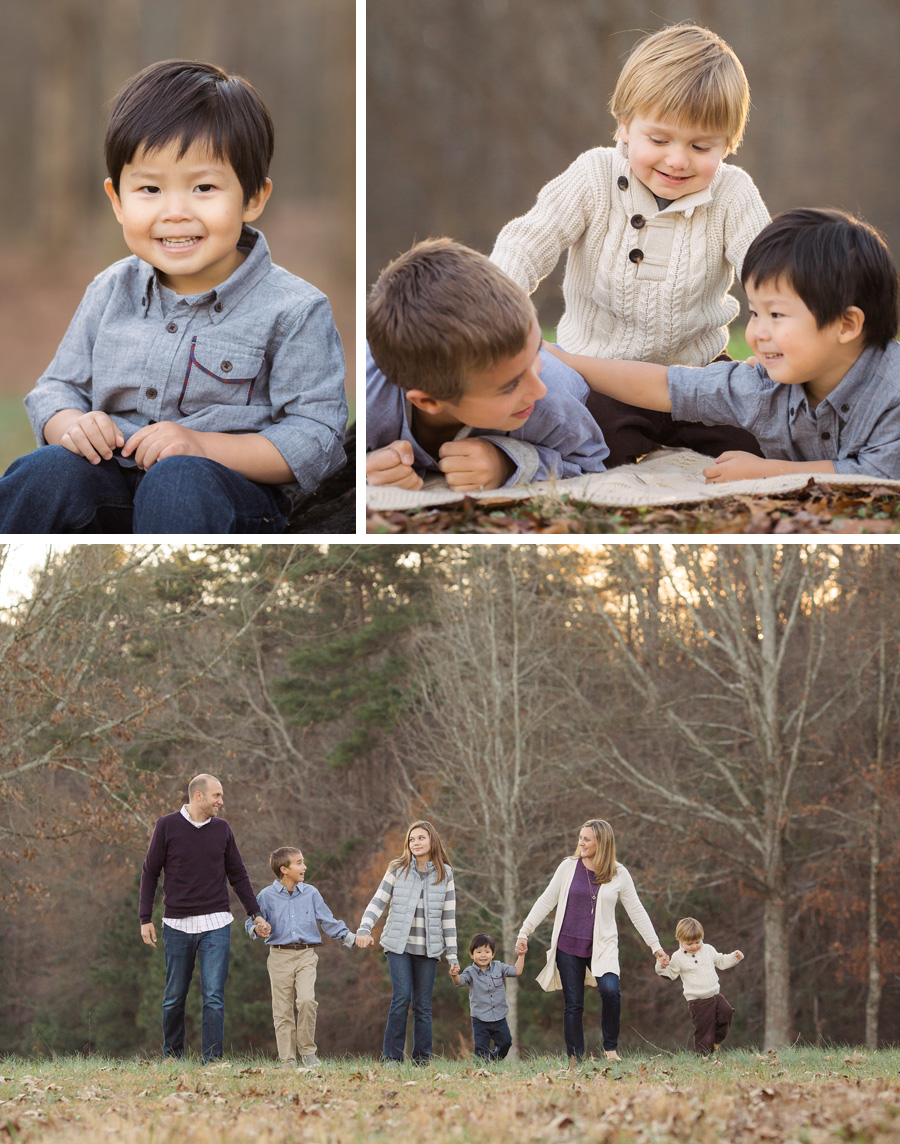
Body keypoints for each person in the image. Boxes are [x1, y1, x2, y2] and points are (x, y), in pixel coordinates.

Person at [0, 58, 347, 534]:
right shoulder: (110, 290)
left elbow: (317, 437)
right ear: (118, 200)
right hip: (110, 485)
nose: (175, 212)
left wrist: (204, 446)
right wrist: (69, 424)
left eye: (204, 187)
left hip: (222, 495)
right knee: (45, 472)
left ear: (253, 198)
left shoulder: (293, 310)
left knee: (178, 480)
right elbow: (58, 388)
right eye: (149, 188)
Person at [490, 23, 770, 467]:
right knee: (598, 448)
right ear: (624, 125)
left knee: (758, 442)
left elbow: (770, 274)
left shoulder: (733, 195)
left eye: (701, 146)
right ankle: (509, 458)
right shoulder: (594, 177)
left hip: (697, 374)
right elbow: (527, 242)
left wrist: (774, 346)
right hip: (599, 371)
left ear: (729, 143)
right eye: (659, 139)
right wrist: (492, 310)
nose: (677, 159)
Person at [546, 208, 900, 482]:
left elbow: (880, 476)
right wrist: (569, 360)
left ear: (846, 324)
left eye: (776, 314)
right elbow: (670, 387)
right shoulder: (765, 386)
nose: (757, 333)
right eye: (754, 313)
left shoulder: (893, 394)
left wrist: (768, 471)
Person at [365, 238, 610, 492]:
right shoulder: (368, 395)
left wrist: (510, 464)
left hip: (589, 399)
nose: (538, 390)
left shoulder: (552, 401)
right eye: (510, 385)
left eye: (536, 350)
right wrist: (368, 468)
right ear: (429, 401)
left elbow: (591, 464)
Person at [139, 773, 269, 1063]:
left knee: (213, 997)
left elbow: (238, 874)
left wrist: (255, 913)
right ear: (199, 796)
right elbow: (150, 872)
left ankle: (212, 1060)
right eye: (217, 796)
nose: (221, 801)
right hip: (177, 925)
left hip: (216, 924)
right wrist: (145, 918)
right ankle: (172, 1056)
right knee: (174, 996)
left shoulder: (222, 829)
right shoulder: (167, 826)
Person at [515, 819, 668, 1065]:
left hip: (603, 946)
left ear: (602, 843)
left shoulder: (619, 873)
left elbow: (636, 911)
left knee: (611, 992)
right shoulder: (568, 867)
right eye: (580, 837)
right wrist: (525, 931)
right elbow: (546, 900)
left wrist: (656, 947)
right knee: (573, 1003)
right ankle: (576, 1058)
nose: (581, 842)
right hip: (568, 945)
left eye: (587, 839)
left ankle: (610, 1050)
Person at [354, 820, 459, 1065]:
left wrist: (452, 956)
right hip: (397, 946)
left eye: (421, 838)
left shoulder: (446, 874)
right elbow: (377, 902)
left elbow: (449, 917)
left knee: (423, 1006)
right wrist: (364, 928)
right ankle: (392, 1057)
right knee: (401, 997)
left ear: (432, 840)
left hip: (429, 948)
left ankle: (422, 1060)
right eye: (412, 839)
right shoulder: (397, 868)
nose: (415, 843)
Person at [246, 846, 357, 1068]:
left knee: (307, 1001)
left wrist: (351, 938)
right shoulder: (266, 896)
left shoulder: (311, 893)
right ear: (284, 869)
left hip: (306, 954)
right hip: (278, 957)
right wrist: (258, 928)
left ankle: (308, 1052)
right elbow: (251, 921)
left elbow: (328, 921)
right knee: (282, 1009)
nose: (304, 866)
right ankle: (287, 1060)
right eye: (299, 863)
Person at [655, 916, 744, 1055]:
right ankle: (703, 1058)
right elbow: (670, 974)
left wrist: (734, 957)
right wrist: (661, 965)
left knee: (726, 1013)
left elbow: (721, 961)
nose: (694, 946)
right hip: (698, 1002)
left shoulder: (708, 949)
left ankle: (715, 1042)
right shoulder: (678, 957)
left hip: (715, 995)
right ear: (680, 940)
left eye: (697, 941)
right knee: (704, 1031)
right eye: (689, 943)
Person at [450, 932, 525, 1062]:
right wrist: (454, 975)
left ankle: (492, 1059)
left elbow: (517, 971)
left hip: (499, 1016)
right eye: (479, 952)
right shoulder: (470, 972)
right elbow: (460, 981)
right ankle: (481, 1071)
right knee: (481, 1049)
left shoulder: (499, 967)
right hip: (480, 1018)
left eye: (487, 951)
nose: (483, 955)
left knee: (506, 1043)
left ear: (493, 954)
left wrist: (521, 955)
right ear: (471, 954)